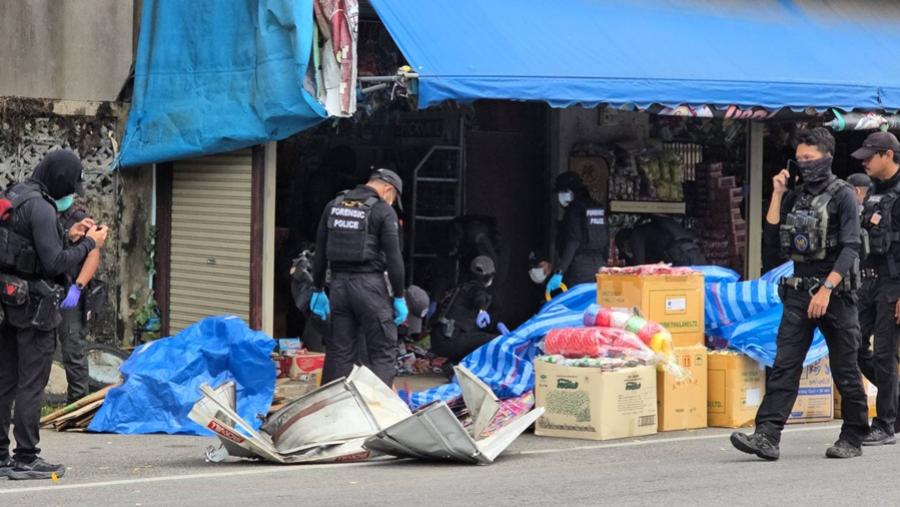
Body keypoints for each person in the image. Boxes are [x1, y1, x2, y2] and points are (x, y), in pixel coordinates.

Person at [731, 128, 869, 460]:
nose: (804, 164)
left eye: (810, 158)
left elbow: (851, 247)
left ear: (827, 157)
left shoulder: (843, 196)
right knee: (785, 365)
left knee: (845, 369)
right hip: (798, 291)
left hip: (836, 294)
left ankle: (852, 436)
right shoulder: (795, 197)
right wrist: (777, 193)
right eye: (799, 159)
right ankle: (767, 435)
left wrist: (827, 289)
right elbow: (772, 243)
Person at [0, 150, 109, 480]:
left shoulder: (17, 194)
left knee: (5, 380)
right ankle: (26, 456)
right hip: (34, 307)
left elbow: (27, 245)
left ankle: (0, 456)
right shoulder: (43, 208)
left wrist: (69, 234)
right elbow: (54, 263)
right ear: (61, 180)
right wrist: (89, 243)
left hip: (7, 300)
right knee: (31, 383)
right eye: (71, 186)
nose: (72, 194)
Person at [309, 168, 407, 387]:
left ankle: (333, 404)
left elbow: (320, 251)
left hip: (338, 288)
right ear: (388, 189)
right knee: (382, 350)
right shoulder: (383, 210)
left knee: (340, 351)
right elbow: (394, 258)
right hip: (369, 287)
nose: (391, 203)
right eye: (393, 198)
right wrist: (399, 296)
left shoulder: (333, 206)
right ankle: (376, 406)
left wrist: (318, 289)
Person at [852, 132, 900, 444]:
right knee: (853, 346)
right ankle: (895, 403)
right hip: (867, 281)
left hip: (893, 283)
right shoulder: (873, 192)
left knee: (884, 354)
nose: (864, 162)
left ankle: (885, 424)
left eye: (870, 157)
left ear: (888, 155)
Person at [57, 203, 103, 404]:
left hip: (71, 293)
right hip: (47, 289)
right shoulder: (42, 212)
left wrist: (78, 287)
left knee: (73, 348)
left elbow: (93, 255)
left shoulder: (78, 217)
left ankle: (77, 405)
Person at [546, 172, 608, 294]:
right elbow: (606, 241)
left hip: (579, 269)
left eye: (561, 192)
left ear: (569, 192)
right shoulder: (598, 208)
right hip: (599, 267)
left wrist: (560, 271)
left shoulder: (574, 211)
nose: (559, 196)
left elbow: (573, 242)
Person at [431, 256, 496, 364]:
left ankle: (454, 363)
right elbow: (480, 298)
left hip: (437, 339)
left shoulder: (459, 288)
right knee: (494, 340)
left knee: (472, 337)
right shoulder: (475, 289)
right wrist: (482, 310)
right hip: (450, 339)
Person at [615, 215, 706, 266]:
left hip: (681, 259)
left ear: (625, 242)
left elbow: (640, 266)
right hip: (696, 253)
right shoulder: (653, 229)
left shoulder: (636, 234)